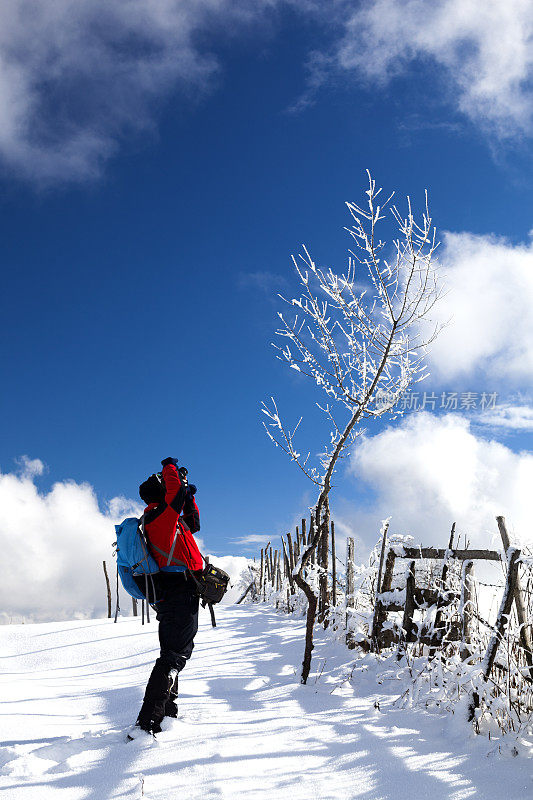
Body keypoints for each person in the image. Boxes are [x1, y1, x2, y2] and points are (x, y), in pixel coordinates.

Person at [129, 456, 204, 738]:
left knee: (174, 653)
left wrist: (189, 494)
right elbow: (175, 496)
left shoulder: (169, 520)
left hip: (180, 591)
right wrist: (169, 466)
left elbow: (193, 522)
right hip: (176, 590)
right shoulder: (159, 517)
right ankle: (147, 723)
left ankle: (166, 713)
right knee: (173, 656)